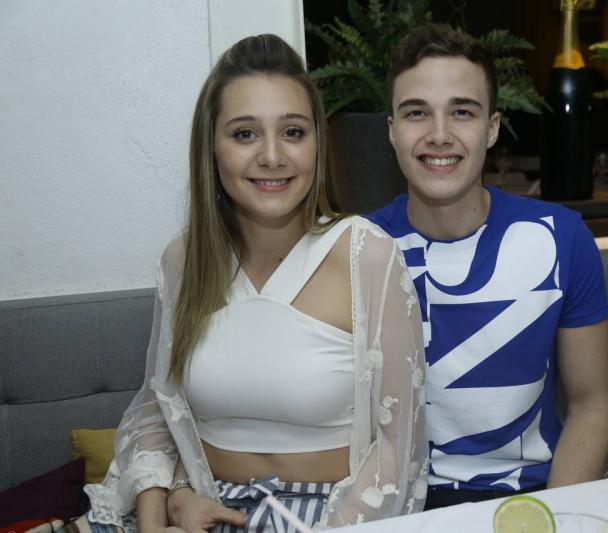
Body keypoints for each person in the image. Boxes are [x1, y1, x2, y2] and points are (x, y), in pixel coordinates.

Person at [81, 34, 427, 532]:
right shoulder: (183, 260)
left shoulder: (367, 255)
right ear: (211, 147)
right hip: (199, 506)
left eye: (293, 132)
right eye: (245, 134)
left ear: (317, 143)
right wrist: (168, 509)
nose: (272, 156)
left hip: (331, 517)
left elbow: (399, 448)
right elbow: (157, 411)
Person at [368, 23, 608, 510]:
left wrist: (555, 517)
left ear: (493, 128)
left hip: (536, 495)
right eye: (417, 113)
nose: (440, 135)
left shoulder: (562, 238)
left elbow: (592, 404)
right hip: (401, 505)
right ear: (392, 131)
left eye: (462, 112)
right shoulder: (358, 249)